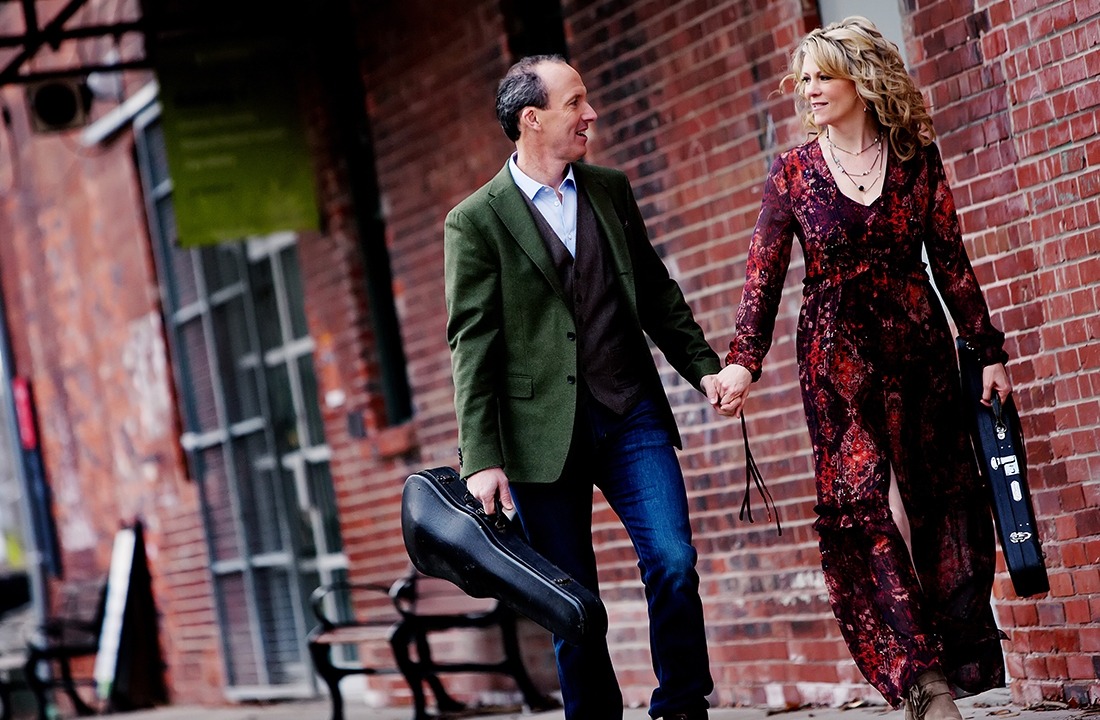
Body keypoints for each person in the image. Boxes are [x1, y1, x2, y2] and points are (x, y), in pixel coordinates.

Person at [711, 17, 1012, 720]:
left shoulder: (914, 158)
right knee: (867, 508)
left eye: (824, 75)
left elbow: (952, 261)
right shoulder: (792, 174)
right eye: (805, 77)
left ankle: (956, 658)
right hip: (836, 361)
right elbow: (762, 281)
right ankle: (922, 682)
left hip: (920, 352)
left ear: (863, 79)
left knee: (942, 503)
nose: (810, 88)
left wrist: (987, 351)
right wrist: (740, 366)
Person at [444, 54, 720, 720]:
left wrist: (704, 368)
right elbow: (471, 343)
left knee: (674, 561)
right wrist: (481, 458)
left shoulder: (609, 190)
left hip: (630, 415)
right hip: (541, 438)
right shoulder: (475, 220)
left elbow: (655, 292)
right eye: (576, 103)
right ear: (530, 119)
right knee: (573, 604)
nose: (590, 114)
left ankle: (682, 706)